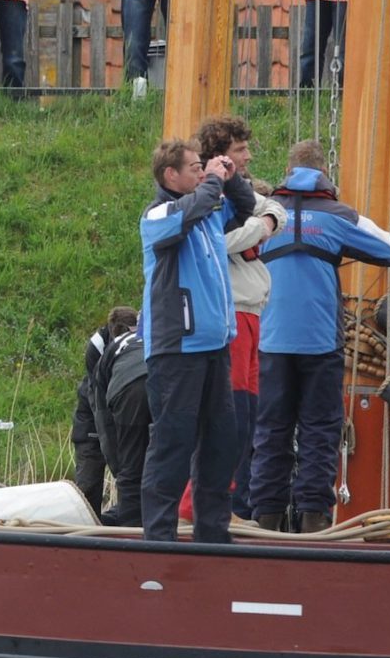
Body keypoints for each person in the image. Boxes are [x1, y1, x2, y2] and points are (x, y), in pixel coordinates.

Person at [250, 140, 390, 533]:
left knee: (271, 430)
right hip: (320, 343)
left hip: (270, 341)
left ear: (288, 172)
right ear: (324, 174)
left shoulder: (263, 215)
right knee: (319, 430)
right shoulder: (338, 215)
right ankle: (313, 521)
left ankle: (265, 520)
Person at [137, 136, 253, 544]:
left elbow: (245, 208)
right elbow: (194, 208)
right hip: (176, 350)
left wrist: (231, 177)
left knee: (221, 446)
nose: (202, 173)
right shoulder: (158, 215)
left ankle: (212, 535)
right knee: (172, 446)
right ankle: (160, 537)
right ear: (171, 175)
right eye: (194, 168)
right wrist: (214, 183)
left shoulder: (205, 212)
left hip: (213, 349)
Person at [196, 114, 283, 522]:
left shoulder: (240, 190)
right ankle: (206, 504)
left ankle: (226, 504)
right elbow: (223, 241)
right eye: (240, 150)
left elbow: (275, 210)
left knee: (245, 417)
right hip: (229, 311)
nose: (248, 156)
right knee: (229, 416)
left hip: (250, 312)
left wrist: (265, 221)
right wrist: (261, 226)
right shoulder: (210, 196)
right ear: (220, 156)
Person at [72, 306, 150, 527]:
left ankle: (135, 521)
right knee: (92, 479)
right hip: (96, 406)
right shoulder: (97, 349)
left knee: (139, 464)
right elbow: (102, 418)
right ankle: (89, 528)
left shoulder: (139, 338)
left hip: (125, 390)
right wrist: (121, 469)